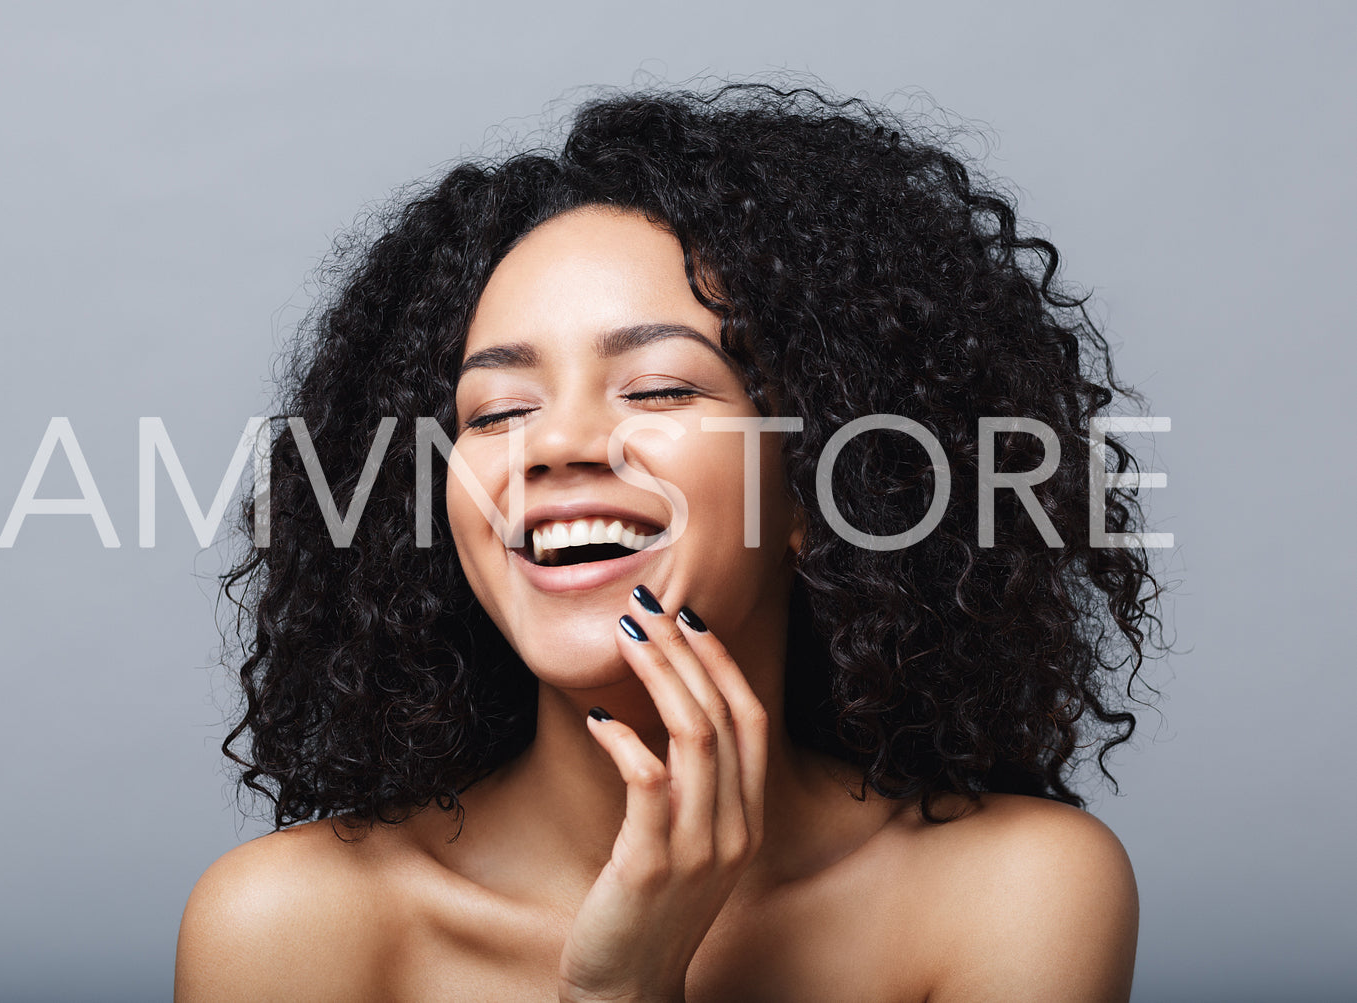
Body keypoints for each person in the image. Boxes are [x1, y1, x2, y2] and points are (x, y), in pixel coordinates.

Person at [175, 81, 1160, 1002]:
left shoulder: (1017, 892)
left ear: (824, 485)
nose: (555, 445)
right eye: (496, 409)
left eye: (658, 388)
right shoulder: (286, 927)